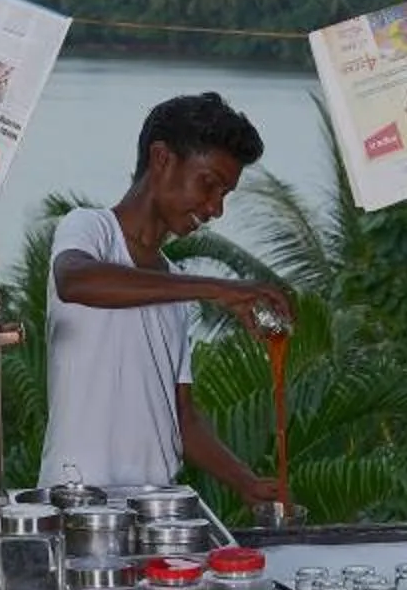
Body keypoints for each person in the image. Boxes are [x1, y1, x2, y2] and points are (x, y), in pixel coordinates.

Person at [38, 91, 291, 506]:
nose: (215, 209)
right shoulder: (90, 229)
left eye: (224, 195)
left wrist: (247, 483)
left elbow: (182, 418)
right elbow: (75, 281)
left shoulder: (173, 284)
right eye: (208, 184)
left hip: (157, 506)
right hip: (77, 500)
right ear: (162, 159)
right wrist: (218, 289)